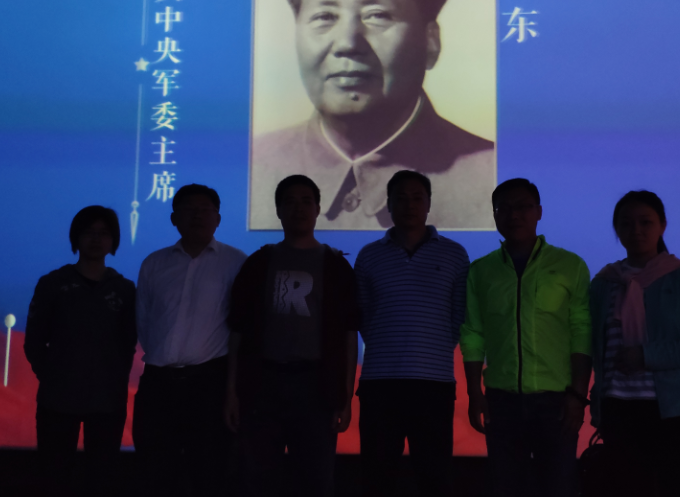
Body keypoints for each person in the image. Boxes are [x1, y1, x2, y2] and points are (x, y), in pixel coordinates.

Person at [249, 0, 495, 231]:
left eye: (377, 15)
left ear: (431, 42)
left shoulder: (494, 179)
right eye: (324, 17)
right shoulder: (250, 169)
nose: (347, 43)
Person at [226, 175, 360, 497]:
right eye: (290, 202)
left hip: (316, 388)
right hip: (263, 385)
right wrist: (231, 392)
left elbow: (348, 336)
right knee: (256, 480)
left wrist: (344, 397)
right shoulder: (258, 263)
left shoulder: (336, 265)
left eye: (306, 202)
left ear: (318, 209)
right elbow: (237, 334)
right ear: (278, 210)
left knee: (316, 481)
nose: (298, 208)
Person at [460, 178, 592, 497]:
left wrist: (578, 395)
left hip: (557, 401)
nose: (514, 215)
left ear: (539, 212)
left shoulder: (570, 266)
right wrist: (475, 393)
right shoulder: (481, 271)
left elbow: (582, 332)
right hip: (500, 401)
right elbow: (473, 333)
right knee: (505, 487)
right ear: (494, 215)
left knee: (559, 487)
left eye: (522, 207)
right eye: (503, 208)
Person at [589, 191, 680, 497]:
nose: (636, 230)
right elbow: (593, 346)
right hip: (618, 409)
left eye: (645, 222)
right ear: (616, 229)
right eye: (626, 223)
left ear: (662, 226)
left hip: (675, 409)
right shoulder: (604, 282)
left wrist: (645, 356)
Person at [354, 170, 469, 497]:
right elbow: (364, 315)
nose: (410, 205)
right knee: (376, 478)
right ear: (388, 204)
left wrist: (429, 349)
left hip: (434, 384)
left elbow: (458, 316)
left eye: (418, 197)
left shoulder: (455, 254)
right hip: (379, 383)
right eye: (401, 198)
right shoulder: (368, 255)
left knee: (435, 478)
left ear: (429, 203)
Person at [133, 184, 247, 496]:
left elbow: (242, 325)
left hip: (208, 385)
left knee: (208, 473)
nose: (197, 215)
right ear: (174, 218)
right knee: (155, 472)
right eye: (188, 209)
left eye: (205, 209)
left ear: (218, 218)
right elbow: (144, 321)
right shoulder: (154, 263)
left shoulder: (237, 262)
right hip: (158, 383)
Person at [24, 206, 136, 497]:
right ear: (75, 237)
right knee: (54, 477)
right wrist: (54, 377)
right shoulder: (53, 284)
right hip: (58, 400)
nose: (96, 239)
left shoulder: (125, 290)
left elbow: (129, 342)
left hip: (108, 400)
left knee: (102, 478)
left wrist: (113, 377)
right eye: (89, 232)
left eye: (104, 233)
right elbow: (34, 341)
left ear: (114, 240)